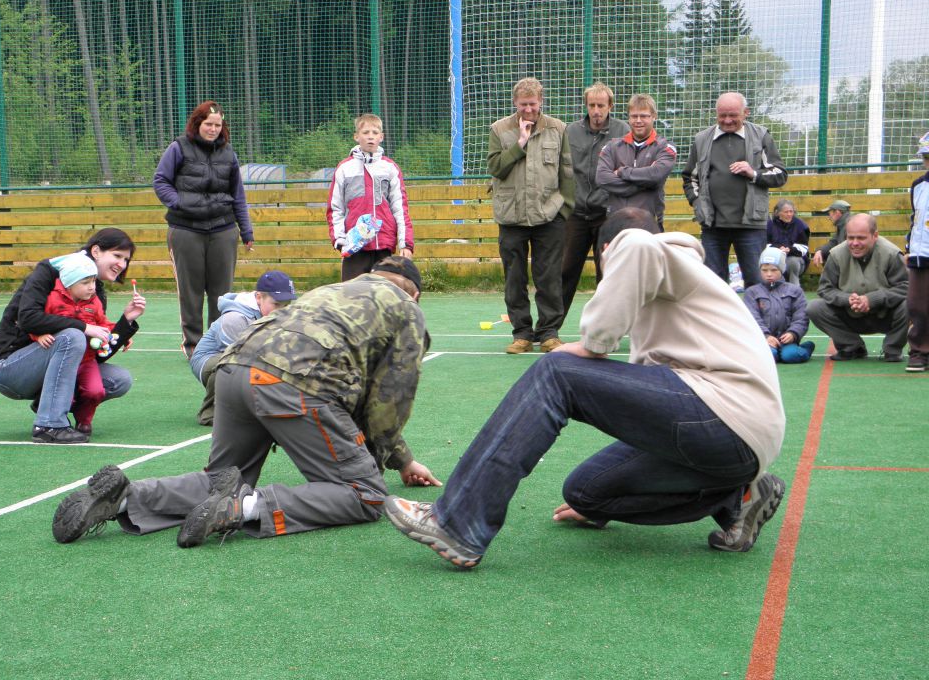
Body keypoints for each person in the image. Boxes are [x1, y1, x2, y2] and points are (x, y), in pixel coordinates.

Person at [383, 208, 786, 569]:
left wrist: (594, 343)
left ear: (605, 250)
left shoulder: (644, 245)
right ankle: (738, 500)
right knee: (585, 493)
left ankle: (458, 523)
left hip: (722, 411)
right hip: (738, 442)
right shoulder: (680, 284)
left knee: (556, 371)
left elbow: (637, 244)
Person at [52, 256, 441, 549]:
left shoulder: (333, 290)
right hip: (292, 381)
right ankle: (246, 506)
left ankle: (124, 497)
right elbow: (388, 401)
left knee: (221, 478)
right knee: (365, 495)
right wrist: (387, 460)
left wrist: (403, 460)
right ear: (415, 294)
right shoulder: (407, 311)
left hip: (233, 370)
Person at [0, 228, 145, 444]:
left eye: (126, 259)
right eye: (117, 256)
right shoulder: (49, 271)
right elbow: (28, 318)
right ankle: (49, 425)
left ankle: (49, 404)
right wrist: (84, 327)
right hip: (9, 368)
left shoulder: (94, 290)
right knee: (73, 336)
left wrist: (124, 324)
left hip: (49, 369)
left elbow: (92, 353)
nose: (122, 264)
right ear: (96, 251)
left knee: (119, 380)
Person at [153, 101, 255, 358]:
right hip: (185, 230)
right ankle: (194, 347)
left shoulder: (228, 154)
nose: (213, 129)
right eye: (208, 124)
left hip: (223, 230)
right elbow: (161, 180)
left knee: (222, 294)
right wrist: (178, 202)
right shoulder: (178, 148)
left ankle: (217, 342)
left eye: (217, 125)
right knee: (190, 293)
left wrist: (246, 231)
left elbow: (238, 195)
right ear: (197, 124)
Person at [488, 77, 574, 354]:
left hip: (549, 216)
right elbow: (495, 168)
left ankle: (549, 334)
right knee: (514, 279)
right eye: (523, 104)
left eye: (533, 104)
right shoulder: (499, 129)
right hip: (511, 216)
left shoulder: (558, 129)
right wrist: (520, 144)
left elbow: (567, 170)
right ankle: (522, 335)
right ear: (515, 102)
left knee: (549, 278)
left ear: (541, 102)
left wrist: (564, 209)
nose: (528, 109)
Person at [682, 92, 788, 289]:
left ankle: (757, 311)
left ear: (746, 113)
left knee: (757, 283)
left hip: (751, 225)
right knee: (713, 285)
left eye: (733, 115)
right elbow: (690, 177)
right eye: (722, 115)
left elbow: (780, 174)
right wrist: (698, 203)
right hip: (713, 225)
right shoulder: (702, 139)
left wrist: (753, 173)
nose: (727, 120)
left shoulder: (761, 136)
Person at [189, 270, 297, 426]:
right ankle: (209, 413)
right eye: (277, 304)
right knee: (234, 366)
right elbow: (239, 357)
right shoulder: (235, 318)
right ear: (259, 297)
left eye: (286, 305)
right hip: (210, 360)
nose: (282, 310)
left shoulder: (275, 315)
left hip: (241, 356)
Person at [560, 83, 629, 322]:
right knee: (565, 270)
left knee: (607, 273)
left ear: (610, 106)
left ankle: (606, 326)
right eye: (592, 105)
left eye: (601, 105)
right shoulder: (571, 131)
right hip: (576, 213)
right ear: (586, 106)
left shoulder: (623, 131)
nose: (596, 111)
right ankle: (549, 327)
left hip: (608, 215)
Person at [806, 213, 909, 362]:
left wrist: (871, 299)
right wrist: (847, 299)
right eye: (850, 237)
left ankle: (892, 349)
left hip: (886, 314)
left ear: (875, 236)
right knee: (814, 308)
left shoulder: (891, 254)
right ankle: (852, 347)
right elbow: (824, 289)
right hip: (849, 314)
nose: (854, 243)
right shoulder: (836, 255)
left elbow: (906, 287)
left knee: (910, 304)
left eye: (861, 238)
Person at [326, 113, 414, 282]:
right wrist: (340, 240)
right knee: (353, 294)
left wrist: (406, 243)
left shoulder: (390, 168)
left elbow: (400, 209)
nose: (370, 137)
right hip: (355, 246)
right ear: (356, 136)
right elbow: (335, 208)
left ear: (381, 137)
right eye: (366, 132)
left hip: (384, 244)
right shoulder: (344, 168)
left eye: (375, 132)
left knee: (383, 293)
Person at [37, 254, 117, 435]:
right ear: (69, 283)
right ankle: (56, 418)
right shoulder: (53, 299)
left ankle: (84, 421)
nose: (92, 287)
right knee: (65, 395)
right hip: (62, 361)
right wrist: (38, 335)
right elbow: (37, 321)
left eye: (93, 281)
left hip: (87, 360)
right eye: (85, 283)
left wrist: (119, 333)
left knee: (96, 392)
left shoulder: (94, 302)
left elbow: (103, 323)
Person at [595, 93, 677, 228]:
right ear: (629, 117)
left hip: (649, 224)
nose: (638, 120)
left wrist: (622, 172)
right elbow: (602, 178)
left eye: (644, 116)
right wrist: (643, 184)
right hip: (616, 224)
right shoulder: (612, 146)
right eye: (634, 116)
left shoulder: (665, 147)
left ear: (654, 116)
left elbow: (656, 174)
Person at [744, 248, 814, 364]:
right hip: (763, 340)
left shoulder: (795, 291)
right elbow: (752, 317)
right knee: (769, 356)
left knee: (791, 356)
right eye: (764, 270)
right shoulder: (751, 292)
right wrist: (765, 336)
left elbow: (801, 317)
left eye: (774, 270)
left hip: (787, 339)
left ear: (782, 269)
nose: (769, 274)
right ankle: (775, 352)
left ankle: (806, 347)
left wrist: (793, 333)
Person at [905, 132, 929, 373]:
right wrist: (909, 249)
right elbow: (915, 219)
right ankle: (919, 351)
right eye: (926, 157)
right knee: (918, 305)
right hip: (920, 255)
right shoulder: (918, 186)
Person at [765, 198, 811, 285]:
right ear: (778, 213)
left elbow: (803, 248)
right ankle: (772, 288)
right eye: (786, 212)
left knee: (792, 262)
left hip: (796, 259)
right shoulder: (770, 225)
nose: (789, 214)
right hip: (775, 257)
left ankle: (795, 289)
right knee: (771, 262)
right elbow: (765, 244)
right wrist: (778, 249)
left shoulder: (800, 225)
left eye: (791, 211)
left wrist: (789, 250)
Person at [810, 200, 852, 269]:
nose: (829, 217)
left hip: (852, 262)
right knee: (825, 255)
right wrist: (820, 251)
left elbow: (849, 249)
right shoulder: (842, 225)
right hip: (845, 260)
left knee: (830, 258)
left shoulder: (850, 226)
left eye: (830, 213)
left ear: (837, 212)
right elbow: (833, 242)